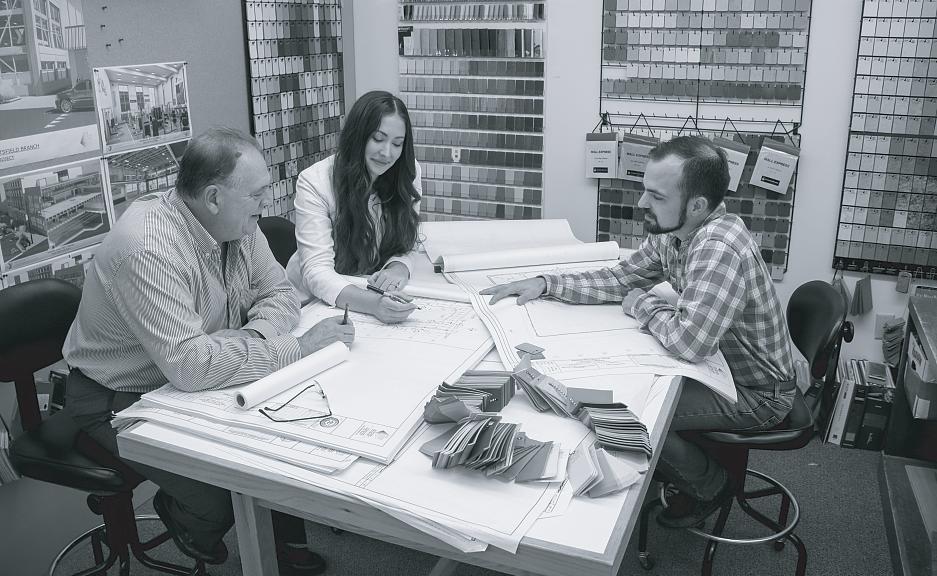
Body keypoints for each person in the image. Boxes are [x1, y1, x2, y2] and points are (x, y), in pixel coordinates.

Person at [62, 127, 354, 575]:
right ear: (214, 197)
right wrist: (293, 348)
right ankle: (190, 519)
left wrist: (252, 341)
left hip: (189, 373)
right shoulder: (149, 248)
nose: (265, 203)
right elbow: (192, 366)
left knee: (277, 446)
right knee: (220, 492)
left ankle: (283, 549)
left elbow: (280, 294)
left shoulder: (236, 223)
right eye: (256, 194)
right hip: (118, 396)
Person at [481, 136, 795, 529]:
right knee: (622, 396)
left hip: (758, 395)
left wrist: (642, 304)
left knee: (630, 414)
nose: (643, 203)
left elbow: (689, 343)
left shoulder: (719, 247)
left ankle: (710, 484)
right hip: (722, 371)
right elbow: (620, 278)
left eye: (656, 196)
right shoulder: (675, 231)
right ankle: (677, 466)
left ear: (697, 205)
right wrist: (548, 283)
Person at [286, 90, 421, 324]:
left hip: (368, 293)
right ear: (358, 136)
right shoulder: (315, 182)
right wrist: (374, 304)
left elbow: (407, 240)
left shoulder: (407, 172)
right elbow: (317, 272)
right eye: (377, 139)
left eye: (397, 143)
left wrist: (398, 267)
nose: (387, 153)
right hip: (314, 304)